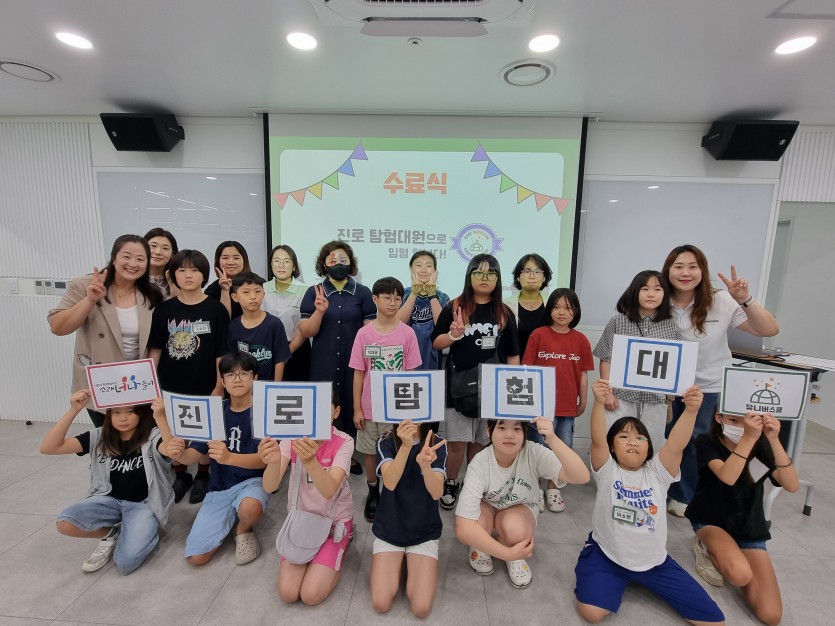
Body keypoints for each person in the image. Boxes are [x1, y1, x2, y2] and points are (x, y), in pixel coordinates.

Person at [574, 379, 725, 625]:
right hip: (607, 557)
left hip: (655, 563)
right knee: (592, 613)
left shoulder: (658, 473)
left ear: (649, 448)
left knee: (714, 621)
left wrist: (691, 411)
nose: (632, 441)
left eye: (640, 438)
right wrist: (598, 403)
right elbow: (598, 439)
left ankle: (643, 578)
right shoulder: (608, 470)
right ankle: (608, 570)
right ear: (612, 448)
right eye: (623, 436)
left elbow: (676, 445)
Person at [662, 244, 779, 517]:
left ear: (702, 271)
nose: (685, 273)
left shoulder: (721, 300)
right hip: (666, 387)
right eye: (678, 266)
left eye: (693, 267)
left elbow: (769, 328)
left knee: (696, 441)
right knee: (665, 438)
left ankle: (684, 495)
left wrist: (745, 299)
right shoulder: (658, 299)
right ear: (667, 271)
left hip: (708, 387)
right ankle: (661, 487)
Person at [39, 390, 173, 575]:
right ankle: (111, 534)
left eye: (130, 412)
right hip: (108, 500)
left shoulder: (152, 436)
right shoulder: (99, 436)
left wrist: (160, 417)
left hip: (143, 504)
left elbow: (173, 452)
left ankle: (142, 529)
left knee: (125, 563)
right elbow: (49, 447)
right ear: (109, 415)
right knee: (65, 523)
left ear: (141, 414)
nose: (122, 418)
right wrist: (74, 410)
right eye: (116, 412)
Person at [155, 352, 268, 567]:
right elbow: (190, 456)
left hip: (252, 483)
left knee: (250, 505)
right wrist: (177, 450)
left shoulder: (264, 412)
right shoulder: (214, 412)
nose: (237, 379)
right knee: (196, 558)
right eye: (230, 375)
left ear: (254, 378)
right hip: (219, 488)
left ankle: (243, 528)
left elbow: (264, 461)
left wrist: (229, 457)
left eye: (244, 374)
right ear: (222, 381)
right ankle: (231, 513)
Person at [686, 411, 799, 625]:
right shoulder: (707, 443)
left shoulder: (761, 448)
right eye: (734, 421)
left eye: (748, 421)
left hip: (749, 527)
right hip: (712, 521)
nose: (741, 427)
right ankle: (704, 547)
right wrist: (749, 437)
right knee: (740, 574)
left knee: (771, 616)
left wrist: (774, 439)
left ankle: (732, 553)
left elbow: (792, 485)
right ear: (719, 418)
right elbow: (728, 476)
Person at [454, 417, 590, 588]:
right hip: (487, 507)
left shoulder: (533, 452)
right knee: (476, 523)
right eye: (502, 428)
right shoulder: (480, 462)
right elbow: (463, 528)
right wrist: (508, 554)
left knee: (515, 528)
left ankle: (511, 544)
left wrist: (553, 439)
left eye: (517, 429)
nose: (509, 435)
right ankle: (484, 546)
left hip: (518, 508)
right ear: (489, 431)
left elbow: (581, 476)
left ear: (525, 432)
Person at [431, 253, 520, 511]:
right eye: (478, 272)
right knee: (457, 443)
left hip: (493, 390)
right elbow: (436, 343)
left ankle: (474, 483)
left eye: (491, 273)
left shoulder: (504, 312)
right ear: (469, 276)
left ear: (498, 279)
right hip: (458, 389)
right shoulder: (456, 306)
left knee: (480, 444)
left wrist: (511, 393)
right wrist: (453, 335)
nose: (485, 278)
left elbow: (513, 355)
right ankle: (451, 482)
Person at [48, 234, 163, 427]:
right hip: (101, 384)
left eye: (140, 259)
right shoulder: (85, 285)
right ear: (114, 258)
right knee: (107, 439)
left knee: (139, 440)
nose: (133, 264)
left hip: (136, 384)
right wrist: (90, 300)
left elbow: (156, 341)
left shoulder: (153, 294)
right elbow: (58, 327)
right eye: (126, 256)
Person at [258, 388, 355, 606]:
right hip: (301, 519)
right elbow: (270, 486)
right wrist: (273, 462)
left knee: (311, 595)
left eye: (322, 408)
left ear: (336, 412)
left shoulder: (344, 442)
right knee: (288, 593)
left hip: (334, 522)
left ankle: (344, 541)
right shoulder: (290, 439)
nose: (315, 414)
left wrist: (310, 460)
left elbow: (329, 490)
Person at [148, 249, 229, 503]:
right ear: (173, 275)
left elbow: (221, 352)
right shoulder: (164, 310)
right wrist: (151, 384)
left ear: (204, 275)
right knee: (173, 431)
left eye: (194, 270)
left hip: (205, 384)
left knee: (205, 432)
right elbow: (155, 349)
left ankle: (203, 474)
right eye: (182, 270)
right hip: (170, 384)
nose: (188, 275)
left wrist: (219, 386)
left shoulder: (216, 309)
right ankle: (181, 474)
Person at [349, 277, 422, 522]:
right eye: (387, 297)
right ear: (375, 299)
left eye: (397, 298)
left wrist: (411, 411)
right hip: (369, 407)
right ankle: (373, 491)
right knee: (370, 452)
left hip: (398, 408)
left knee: (399, 450)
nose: (392, 302)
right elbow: (359, 373)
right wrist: (357, 408)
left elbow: (412, 375)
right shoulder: (364, 334)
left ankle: (394, 491)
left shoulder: (407, 333)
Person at [522, 288, 593, 512]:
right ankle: (534, 488)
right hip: (540, 406)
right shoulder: (538, 335)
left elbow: (583, 373)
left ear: (576, 311)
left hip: (567, 405)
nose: (562, 312)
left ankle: (554, 488)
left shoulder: (581, 340)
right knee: (537, 447)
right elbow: (527, 370)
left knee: (564, 446)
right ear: (549, 310)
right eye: (556, 307)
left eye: (568, 308)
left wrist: (583, 401)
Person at [593, 270, 682, 449]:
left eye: (657, 289)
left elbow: (675, 365)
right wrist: (608, 393)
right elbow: (605, 359)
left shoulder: (671, 326)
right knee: (616, 439)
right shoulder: (618, 321)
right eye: (645, 289)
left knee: (652, 443)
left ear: (665, 294)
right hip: (621, 394)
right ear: (635, 291)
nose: (651, 294)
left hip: (656, 398)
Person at [299, 240, 376, 443]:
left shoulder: (363, 292)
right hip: (323, 364)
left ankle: (348, 453)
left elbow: (370, 334)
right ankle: (321, 452)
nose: (338, 264)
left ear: (351, 263)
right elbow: (307, 331)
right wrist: (319, 311)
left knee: (351, 409)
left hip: (354, 365)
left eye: (343, 259)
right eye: (333, 260)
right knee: (322, 411)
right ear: (324, 264)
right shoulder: (314, 292)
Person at [371, 422, 447, 618]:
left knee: (421, 608)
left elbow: (436, 493)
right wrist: (405, 446)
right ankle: (401, 559)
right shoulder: (386, 440)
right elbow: (390, 483)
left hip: (424, 529)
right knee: (381, 603)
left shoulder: (436, 442)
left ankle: (409, 559)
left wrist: (426, 467)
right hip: (390, 527)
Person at [227, 271, 291, 381]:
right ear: (235, 297)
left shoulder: (274, 324)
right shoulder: (233, 326)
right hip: (244, 385)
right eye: (246, 292)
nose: (253, 296)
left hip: (269, 384)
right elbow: (233, 361)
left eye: (257, 291)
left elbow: (280, 360)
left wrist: (274, 387)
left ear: (264, 294)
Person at [262, 244, 311, 381]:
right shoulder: (262, 288)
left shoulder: (306, 291)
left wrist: (287, 352)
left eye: (286, 261)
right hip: (268, 352)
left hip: (298, 350)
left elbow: (305, 327)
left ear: (294, 266)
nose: (281, 265)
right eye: (276, 261)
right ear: (271, 265)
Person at [396, 250, 450, 370]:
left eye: (429, 266)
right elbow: (398, 324)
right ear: (410, 269)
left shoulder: (442, 297)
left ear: (435, 271)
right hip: (405, 356)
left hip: (432, 357)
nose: (424, 270)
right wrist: (414, 293)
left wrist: (432, 295)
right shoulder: (402, 294)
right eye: (419, 265)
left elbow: (443, 327)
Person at [504, 253, 553, 357]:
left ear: (544, 278)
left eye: (537, 272)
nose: (532, 276)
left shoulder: (552, 304)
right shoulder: (505, 305)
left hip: (545, 362)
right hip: (512, 363)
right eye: (527, 271)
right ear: (518, 277)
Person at [205, 240, 251, 319]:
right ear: (218, 261)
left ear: (244, 260)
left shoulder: (259, 284)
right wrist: (225, 291)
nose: (231, 262)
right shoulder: (212, 290)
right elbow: (220, 321)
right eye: (225, 258)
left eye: (236, 258)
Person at [143, 227, 178, 298]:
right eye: (153, 246)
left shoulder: (178, 278)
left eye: (165, 248)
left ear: (172, 254)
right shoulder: (132, 276)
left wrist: (172, 283)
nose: (158, 252)